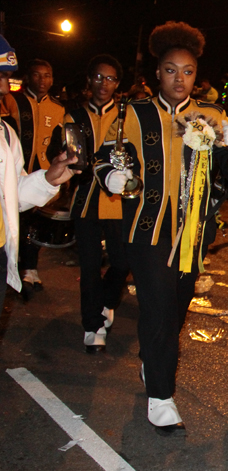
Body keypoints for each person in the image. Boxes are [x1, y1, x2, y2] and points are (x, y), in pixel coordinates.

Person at [94, 21, 228, 433]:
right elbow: (106, 159)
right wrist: (111, 177)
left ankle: (152, 361)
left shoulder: (210, 116)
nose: (179, 79)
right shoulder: (133, 113)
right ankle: (161, 396)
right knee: (159, 308)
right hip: (146, 229)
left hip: (194, 234)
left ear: (197, 76)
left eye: (188, 71)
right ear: (156, 73)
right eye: (170, 70)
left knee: (177, 310)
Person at [50, 55, 130, 352]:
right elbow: (57, 152)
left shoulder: (127, 116)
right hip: (86, 201)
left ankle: (107, 301)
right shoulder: (74, 117)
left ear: (118, 84)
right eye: (98, 77)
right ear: (89, 80)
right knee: (90, 264)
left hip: (120, 202)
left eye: (110, 79)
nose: (103, 84)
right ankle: (92, 326)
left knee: (122, 263)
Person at [0, 36, 78, 310]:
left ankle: (28, 268)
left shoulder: (5, 135)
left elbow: (13, 194)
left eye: (7, 77)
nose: (4, 87)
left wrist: (49, 178)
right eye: (0, 77)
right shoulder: (14, 104)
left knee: (31, 228)